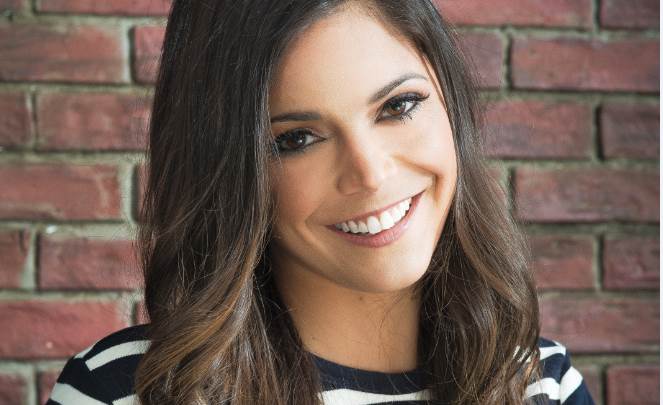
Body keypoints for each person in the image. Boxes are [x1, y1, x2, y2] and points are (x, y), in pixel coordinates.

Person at [46, 1, 596, 404]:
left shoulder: (539, 382)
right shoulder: (124, 391)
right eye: (296, 139)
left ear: (449, 101)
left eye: (398, 106)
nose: (370, 174)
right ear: (228, 173)